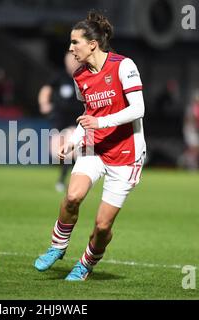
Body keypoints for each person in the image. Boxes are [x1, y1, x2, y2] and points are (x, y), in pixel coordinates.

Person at [34, 11, 146, 281]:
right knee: (72, 196)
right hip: (94, 147)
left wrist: (103, 122)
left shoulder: (124, 66)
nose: (70, 48)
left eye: (75, 43)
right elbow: (88, 116)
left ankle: (85, 264)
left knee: (102, 226)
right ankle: (57, 246)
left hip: (126, 154)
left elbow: (138, 109)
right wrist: (72, 143)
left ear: (92, 44)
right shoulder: (80, 77)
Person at [38, 51, 83, 192]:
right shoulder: (60, 76)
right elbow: (46, 90)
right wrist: (44, 103)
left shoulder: (84, 76)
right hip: (59, 119)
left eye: (73, 60)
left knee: (71, 150)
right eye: (68, 61)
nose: (71, 63)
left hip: (77, 120)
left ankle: (64, 180)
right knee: (57, 153)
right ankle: (68, 177)